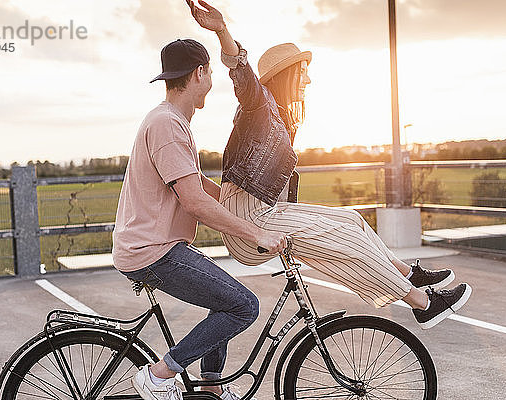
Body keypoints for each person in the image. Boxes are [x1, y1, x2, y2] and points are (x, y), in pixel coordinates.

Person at [187, 0, 471, 329]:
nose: (307, 80)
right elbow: (242, 74)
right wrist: (222, 30)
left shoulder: (280, 119)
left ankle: (410, 274)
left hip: (264, 214)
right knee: (349, 244)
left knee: (352, 220)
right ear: (286, 75)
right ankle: (423, 304)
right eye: (303, 72)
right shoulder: (260, 106)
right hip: (249, 224)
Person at [112, 38, 286, 400]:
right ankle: (159, 376)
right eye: (210, 71)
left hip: (156, 246)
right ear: (200, 73)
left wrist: (241, 205)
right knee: (244, 305)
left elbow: (198, 185)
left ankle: (210, 387)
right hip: (153, 252)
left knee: (223, 296)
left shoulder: (170, 120)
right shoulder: (167, 125)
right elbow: (194, 202)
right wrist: (254, 232)